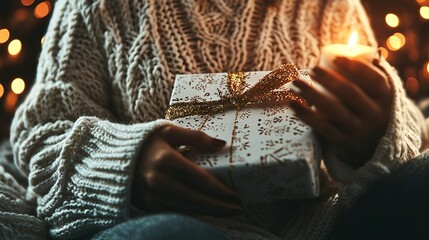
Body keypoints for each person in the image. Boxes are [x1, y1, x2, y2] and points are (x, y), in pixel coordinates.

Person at [4, 0, 429, 239]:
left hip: (321, 229)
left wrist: (376, 130)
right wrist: (124, 165)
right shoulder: (97, 8)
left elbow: (406, 132)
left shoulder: (330, 8)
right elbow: (42, 131)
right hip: (170, 229)